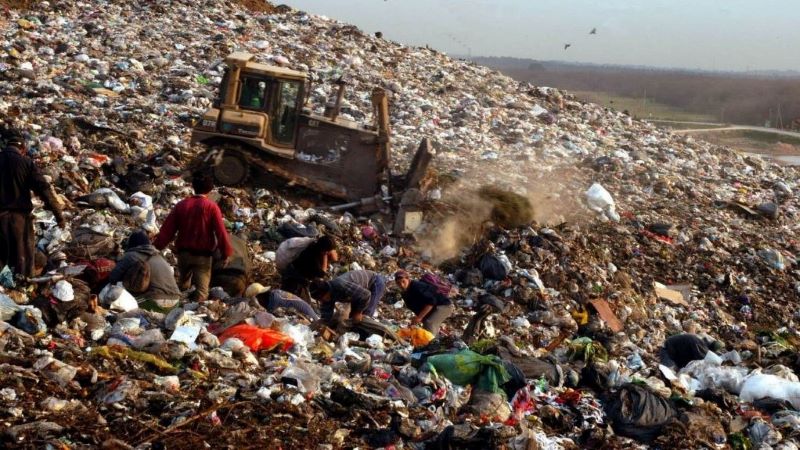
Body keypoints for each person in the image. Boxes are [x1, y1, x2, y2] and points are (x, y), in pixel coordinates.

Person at [153, 171, 232, 301]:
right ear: (210, 189)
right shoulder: (212, 207)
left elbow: (167, 230)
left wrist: (156, 247)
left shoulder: (182, 205)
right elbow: (221, 232)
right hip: (203, 257)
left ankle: (179, 305)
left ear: (193, 187)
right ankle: (196, 313)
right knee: (202, 291)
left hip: (184, 254)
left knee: (183, 285)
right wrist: (226, 253)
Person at [0, 130, 65, 277]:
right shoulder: (26, 163)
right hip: (19, 220)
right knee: (21, 257)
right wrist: (58, 214)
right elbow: (44, 189)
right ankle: (21, 287)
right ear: (22, 149)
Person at [109, 230, 181, 310]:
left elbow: (113, 278)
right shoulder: (160, 257)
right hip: (175, 304)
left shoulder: (130, 256)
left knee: (118, 301)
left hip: (155, 303)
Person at [310, 269, 385, 323]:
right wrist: (323, 322)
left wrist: (358, 312)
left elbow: (366, 295)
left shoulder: (340, 285)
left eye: (322, 298)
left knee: (365, 316)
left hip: (374, 282)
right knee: (352, 319)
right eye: (320, 300)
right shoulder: (326, 296)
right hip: (357, 293)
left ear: (326, 291)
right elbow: (326, 314)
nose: (322, 301)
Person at [394, 270, 455, 334]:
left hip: (444, 306)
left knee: (429, 323)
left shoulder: (417, 286)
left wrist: (420, 317)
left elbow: (431, 302)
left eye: (403, 281)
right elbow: (415, 307)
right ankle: (433, 341)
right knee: (427, 325)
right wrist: (416, 320)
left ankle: (431, 343)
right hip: (433, 308)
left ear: (408, 279)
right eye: (398, 283)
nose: (402, 285)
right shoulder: (405, 294)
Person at [245, 282, 319, 320]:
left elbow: (271, 317)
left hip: (309, 318)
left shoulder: (274, 301)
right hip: (307, 312)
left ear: (259, 296)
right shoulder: (275, 292)